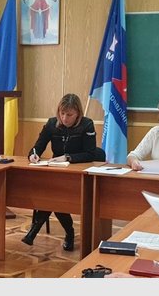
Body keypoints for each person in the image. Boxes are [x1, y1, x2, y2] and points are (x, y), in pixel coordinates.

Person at [22, 93, 106, 251]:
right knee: (54, 196)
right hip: (57, 173)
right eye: (62, 113)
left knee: (53, 196)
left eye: (69, 114)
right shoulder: (51, 124)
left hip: (80, 174)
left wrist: (68, 157)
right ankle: (69, 232)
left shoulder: (87, 124)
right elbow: (37, 147)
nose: (65, 118)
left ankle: (37, 231)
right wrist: (33, 155)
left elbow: (90, 154)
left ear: (78, 114)